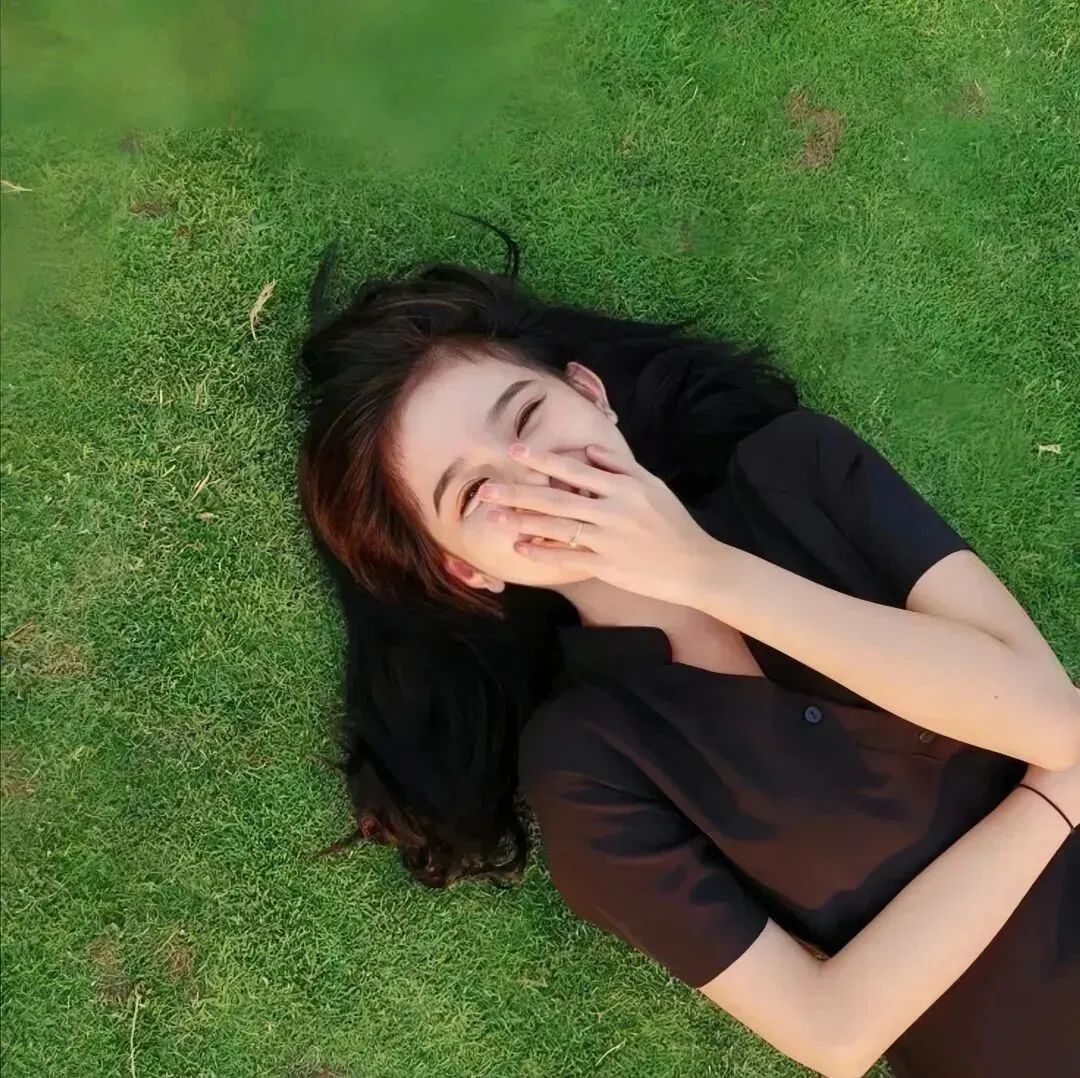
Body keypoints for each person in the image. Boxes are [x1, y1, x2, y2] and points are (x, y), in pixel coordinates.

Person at [295, 216, 1079, 1078]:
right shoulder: (586, 764)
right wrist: (1055, 799)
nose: (537, 475)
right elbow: (835, 1031)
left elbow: (1050, 719)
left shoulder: (803, 470)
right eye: (477, 491)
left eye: (528, 415)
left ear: (590, 392)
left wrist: (706, 572)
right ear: (466, 569)